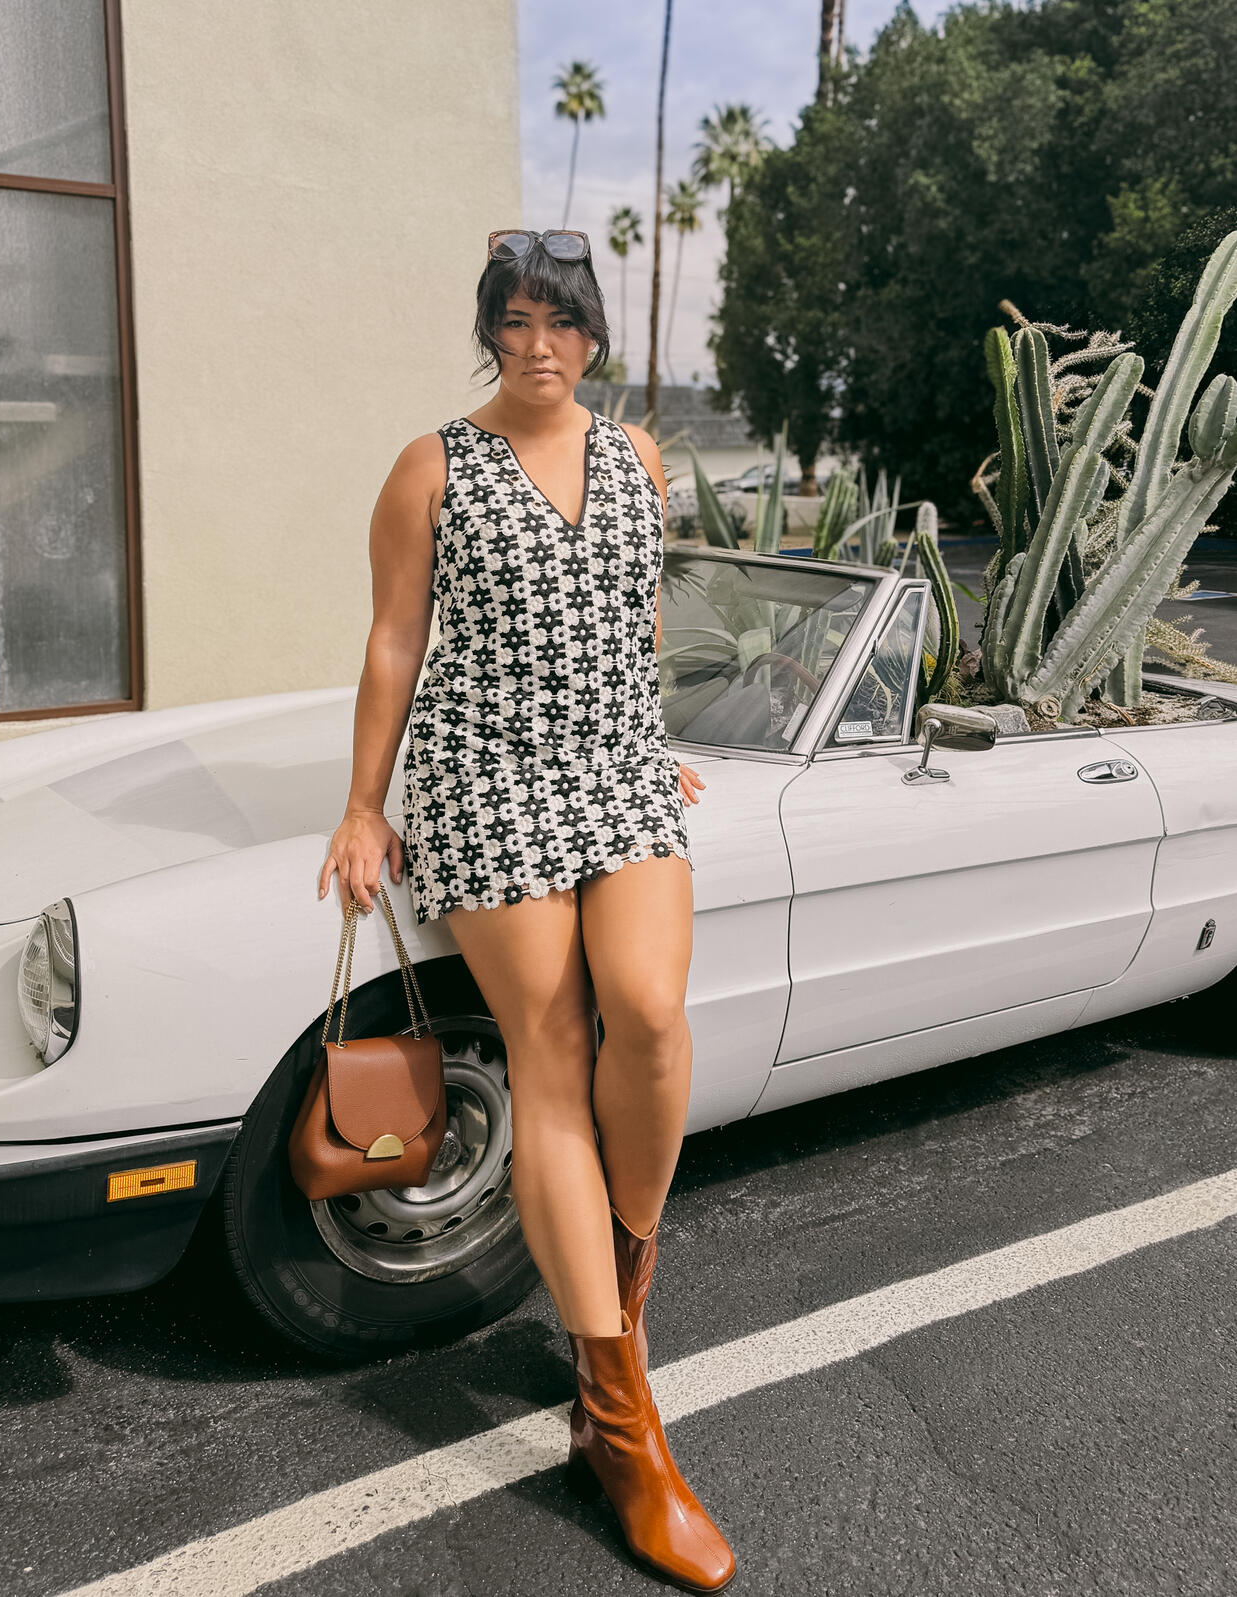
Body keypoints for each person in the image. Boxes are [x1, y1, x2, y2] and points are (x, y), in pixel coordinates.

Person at [318, 228, 736, 1592]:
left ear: (596, 337)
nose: (539, 342)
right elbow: (394, 638)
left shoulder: (638, 460)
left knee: (656, 1021)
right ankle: (620, 1418)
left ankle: (615, 1293)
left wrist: (644, 724)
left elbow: (635, 617)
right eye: (515, 319)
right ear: (489, 331)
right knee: (553, 1053)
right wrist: (364, 803)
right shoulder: (429, 465)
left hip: (615, 763)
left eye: (561, 321)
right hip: (484, 773)